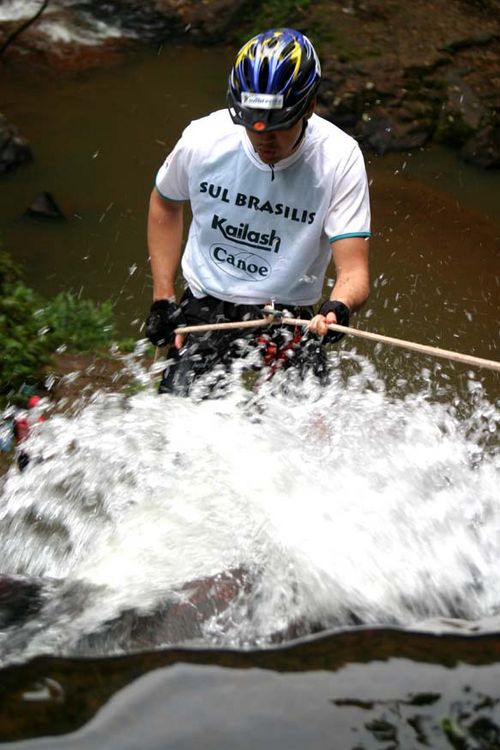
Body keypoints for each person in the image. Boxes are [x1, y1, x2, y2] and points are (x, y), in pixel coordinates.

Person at [145, 27, 371, 396]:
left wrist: (339, 306)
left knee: (307, 435)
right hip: (206, 306)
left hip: (289, 314)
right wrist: (163, 297)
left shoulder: (338, 159)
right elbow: (165, 202)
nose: (264, 138)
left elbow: (355, 270)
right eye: (251, 124)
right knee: (181, 430)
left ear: (309, 106)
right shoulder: (203, 141)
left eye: (279, 125)